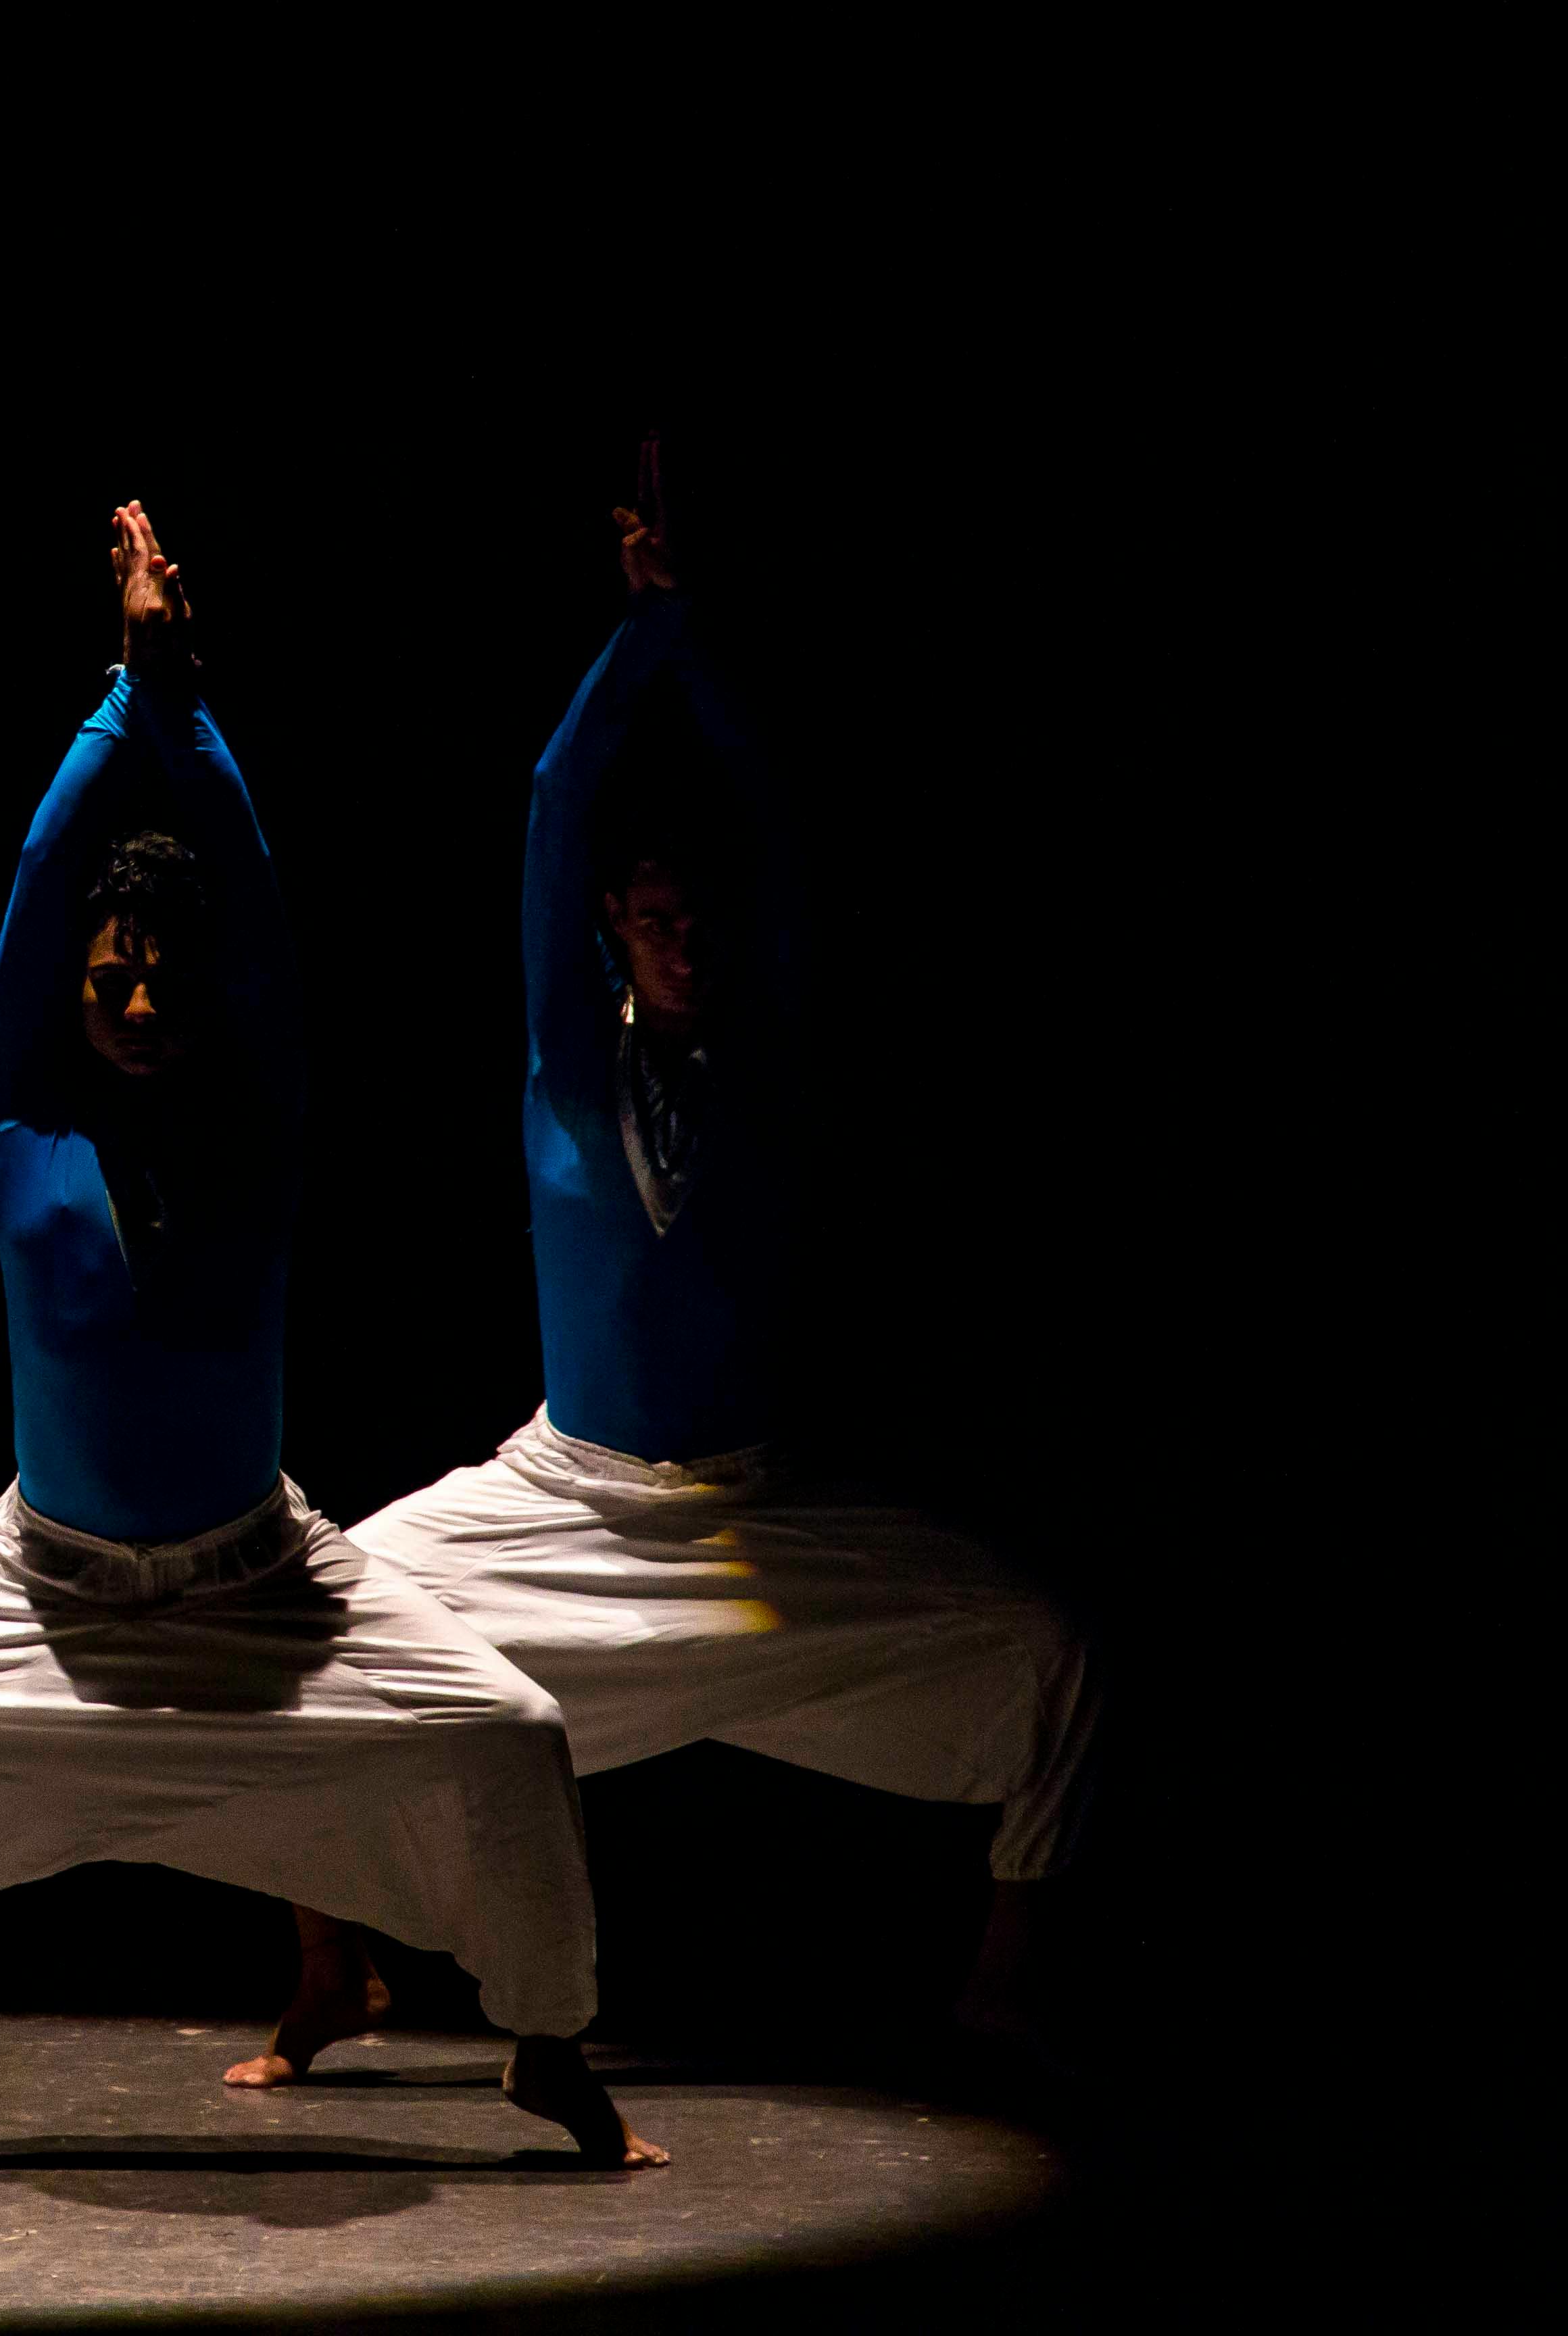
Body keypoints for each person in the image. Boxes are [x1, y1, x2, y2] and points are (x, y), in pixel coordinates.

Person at [0, 510, 662, 2168]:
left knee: (512, 1730)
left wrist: (183, 709)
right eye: (112, 981)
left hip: (257, 1574)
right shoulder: (21, 1124)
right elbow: (39, 893)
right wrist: (118, 704)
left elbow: (259, 916)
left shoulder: (258, 1115)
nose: (136, 1006)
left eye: (164, 983)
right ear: (72, 994)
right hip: (31, 1573)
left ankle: (550, 2048)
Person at [309, 470, 1101, 2066]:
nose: (687, 940)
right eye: (655, 917)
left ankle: (1007, 1967)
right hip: (566, 1498)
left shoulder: (775, 1052)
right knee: (312, 1633)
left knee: (1047, 1649)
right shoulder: (564, 1063)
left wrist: (708, 652)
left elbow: (782, 820)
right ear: (614, 924)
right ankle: (338, 1967)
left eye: (703, 916)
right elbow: (551, 801)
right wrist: (639, 636)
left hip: (754, 1508)